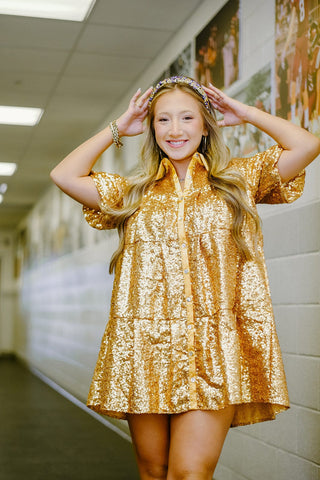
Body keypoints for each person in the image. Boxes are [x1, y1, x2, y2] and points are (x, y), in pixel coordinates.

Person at [50, 76, 320, 480]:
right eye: (163, 120)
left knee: (189, 473)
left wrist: (244, 112)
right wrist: (119, 127)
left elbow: (307, 145)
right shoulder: (132, 193)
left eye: (187, 117)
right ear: (152, 127)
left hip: (212, 351)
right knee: (154, 470)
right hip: (143, 350)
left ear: (205, 123)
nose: (175, 130)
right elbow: (64, 175)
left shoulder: (239, 181)